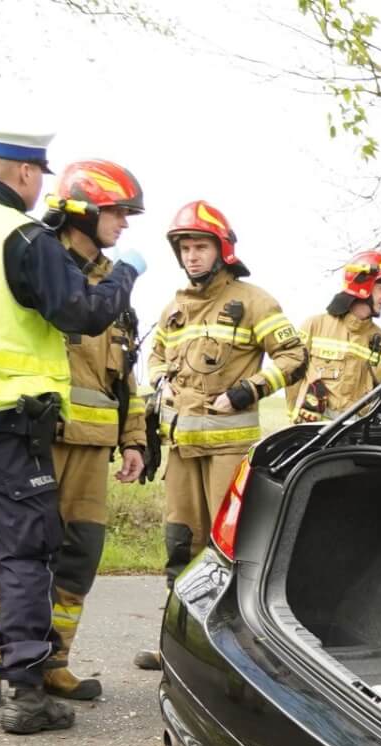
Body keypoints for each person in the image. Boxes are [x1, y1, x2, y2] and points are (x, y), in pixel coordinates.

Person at [0, 130, 143, 733]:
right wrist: (124, 276)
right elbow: (81, 313)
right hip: (5, 419)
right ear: (24, 175)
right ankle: (26, 692)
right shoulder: (18, 236)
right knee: (26, 552)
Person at [134, 200, 307, 670]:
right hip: (181, 450)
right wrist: (159, 379)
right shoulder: (174, 309)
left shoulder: (255, 301)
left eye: (200, 247)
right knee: (179, 548)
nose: (192, 256)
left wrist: (248, 391)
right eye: (185, 248)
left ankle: (232, 651)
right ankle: (177, 643)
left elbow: (295, 360)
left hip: (228, 450)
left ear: (222, 250)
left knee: (227, 550)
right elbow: (153, 355)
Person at [289, 250, 381, 424]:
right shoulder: (314, 326)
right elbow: (291, 378)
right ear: (364, 287)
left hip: (354, 441)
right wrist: (295, 423)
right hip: (312, 438)